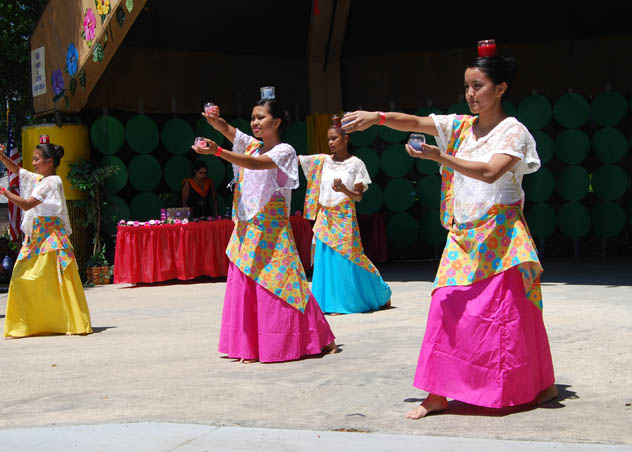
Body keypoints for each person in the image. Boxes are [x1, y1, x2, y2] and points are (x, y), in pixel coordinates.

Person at [343, 54, 556, 418]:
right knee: (446, 304)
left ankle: (528, 385)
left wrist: (440, 158)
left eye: (478, 86)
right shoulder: (460, 127)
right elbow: (414, 121)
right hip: (463, 235)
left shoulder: (513, 131)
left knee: (505, 314)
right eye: (467, 87)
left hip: (501, 236)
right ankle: (438, 393)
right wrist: (375, 117)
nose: (470, 94)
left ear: (500, 88)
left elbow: (490, 172)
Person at [193, 97, 336, 363]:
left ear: (277, 122)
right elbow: (229, 131)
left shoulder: (285, 151)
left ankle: (300, 339)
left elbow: (256, 164)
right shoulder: (253, 146)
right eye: (253, 117)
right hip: (248, 228)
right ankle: (251, 345)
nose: (255, 122)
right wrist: (215, 122)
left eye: (261, 117)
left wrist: (218, 152)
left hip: (272, 231)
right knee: (247, 281)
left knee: (283, 284)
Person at [0, 139, 92, 338]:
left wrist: (1, 190)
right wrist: (2, 157)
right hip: (38, 235)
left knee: (53, 279)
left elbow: (26, 204)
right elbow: (19, 171)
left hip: (51, 236)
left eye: (37, 159)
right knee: (25, 278)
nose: (34, 163)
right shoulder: (41, 179)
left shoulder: (50, 182)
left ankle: (66, 321)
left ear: (49, 161)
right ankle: (39, 322)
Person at [298, 117, 392, 314]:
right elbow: (295, 158)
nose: (330, 142)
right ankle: (329, 303)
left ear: (345, 139)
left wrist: (344, 190)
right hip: (325, 216)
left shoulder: (356, 164)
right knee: (327, 261)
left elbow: (358, 197)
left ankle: (372, 295)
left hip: (345, 216)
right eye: (328, 139)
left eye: (334, 138)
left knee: (351, 258)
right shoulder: (321, 162)